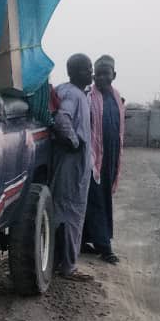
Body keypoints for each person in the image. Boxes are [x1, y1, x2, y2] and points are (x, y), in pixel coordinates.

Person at [51, 53, 95, 282]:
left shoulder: (78, 94)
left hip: (76, 166)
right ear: (76, 71)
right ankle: (67, 266)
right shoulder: (72, 94)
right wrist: (74, 141)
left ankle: (61, 262)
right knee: (69, 213)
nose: (91, 73)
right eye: (87, 69)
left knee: (70, 212)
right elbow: (62, 119)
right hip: (70, 165)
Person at [83, 55, 126, 264]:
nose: (100, 78)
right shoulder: (88, 97)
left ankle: (85, 240)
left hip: (110, 159)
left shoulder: (117, 98)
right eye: (97, 74)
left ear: (114, 75)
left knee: (101, 199)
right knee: (96, 201)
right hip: (93, 160)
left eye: (105, 74)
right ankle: (104, 246)